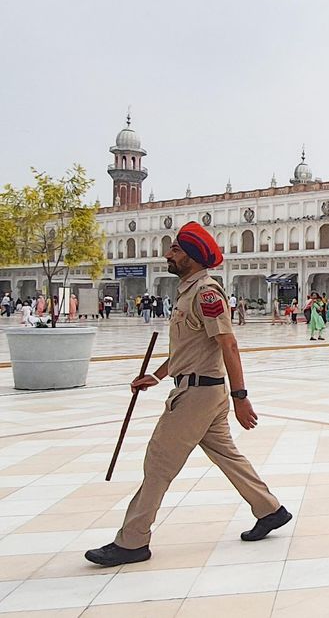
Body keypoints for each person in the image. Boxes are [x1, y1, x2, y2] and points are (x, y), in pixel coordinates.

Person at [84, 221, 291, 567]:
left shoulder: (207, 293)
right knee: (228, 456)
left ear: (192, 257)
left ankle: (133, 541)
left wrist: (242, 397)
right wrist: (157, 375)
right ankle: (270, 510)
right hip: (201, 391)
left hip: (197, 396)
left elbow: (229, 344)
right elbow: (189, 346)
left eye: (176, 250)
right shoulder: (187, 292)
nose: (168, 254)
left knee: (158, 463)